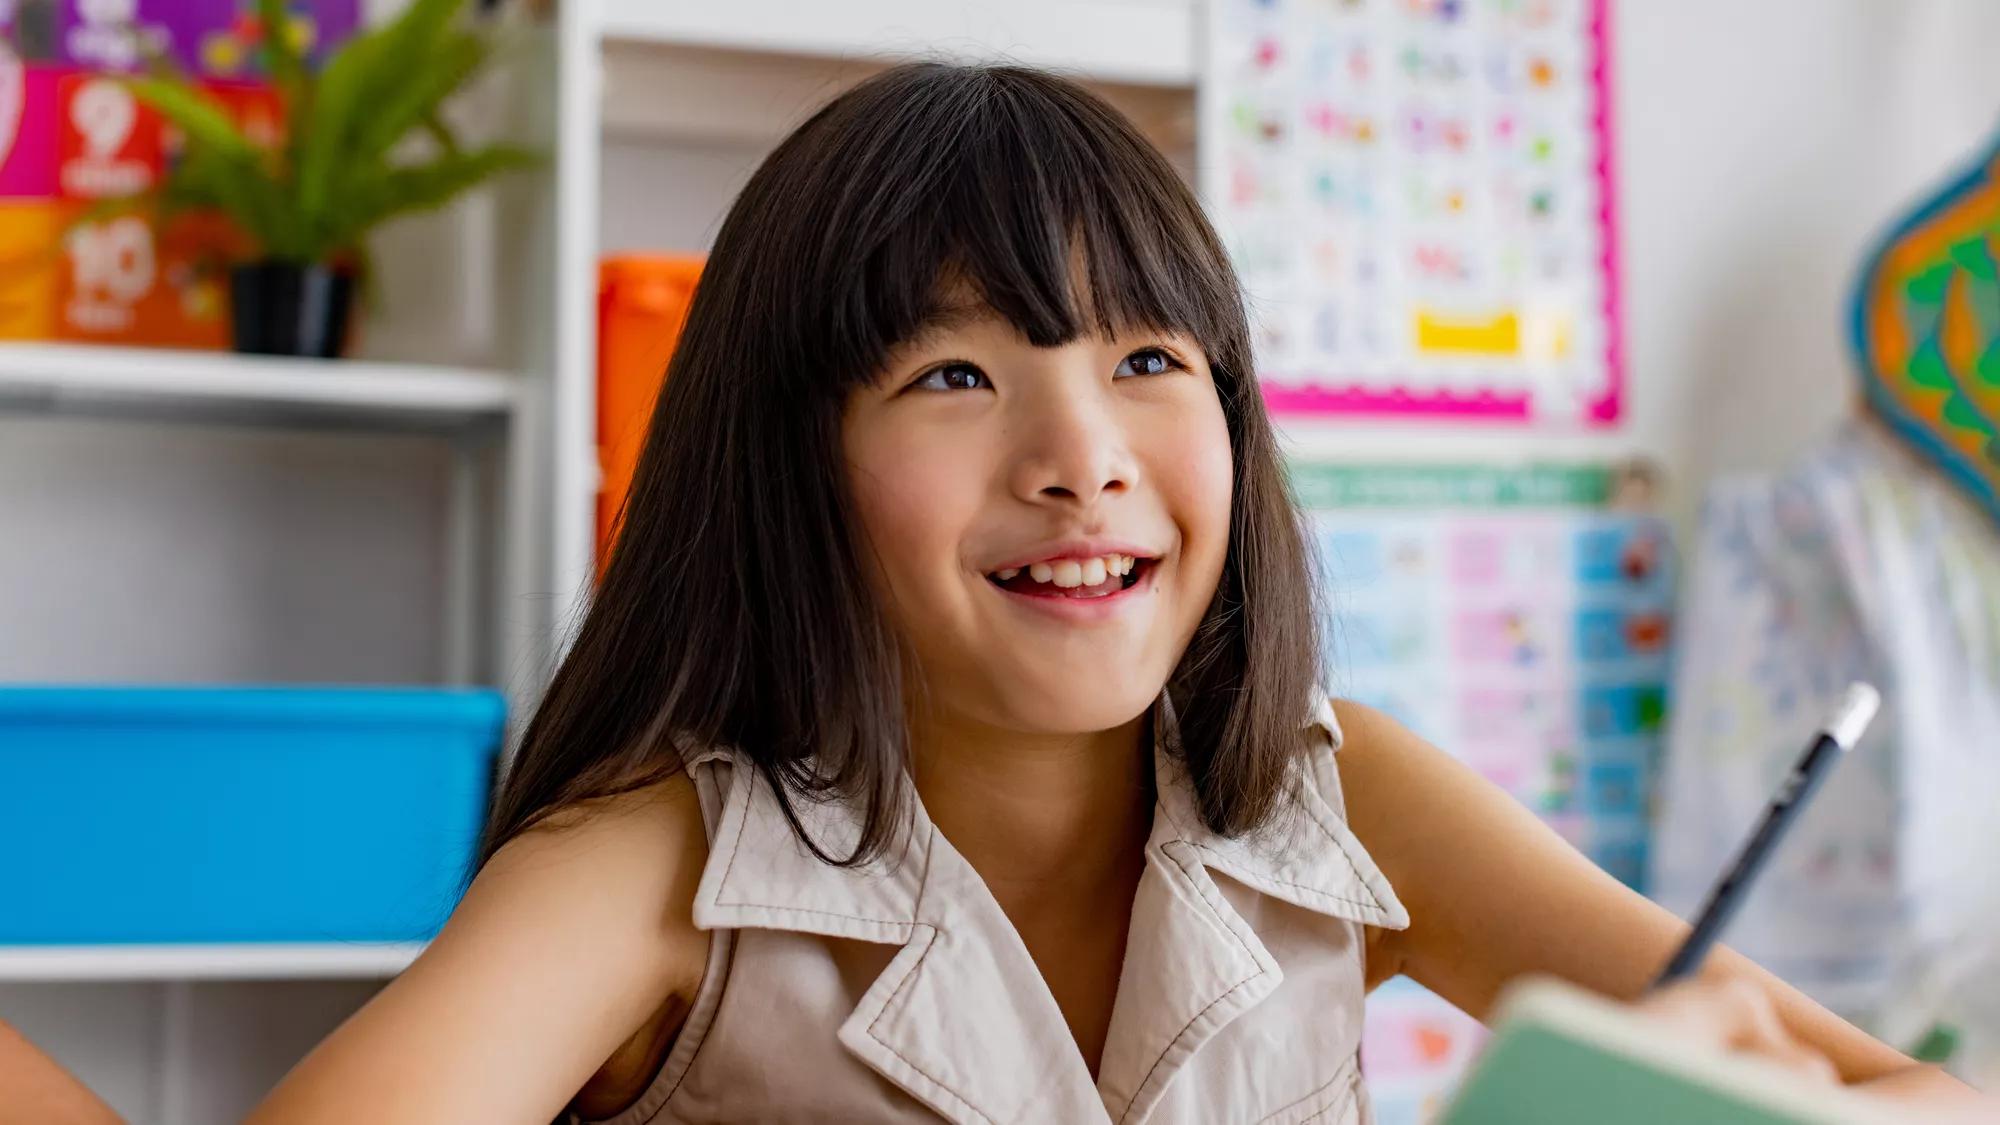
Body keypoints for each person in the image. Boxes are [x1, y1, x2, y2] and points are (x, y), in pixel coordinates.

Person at [245, 63, 1987, 1123]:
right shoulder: (655, 868)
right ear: (786, 461)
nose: (1084, 455)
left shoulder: (1335, 788)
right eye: (951, 375)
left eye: (1150, 355)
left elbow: (1919, 1095)